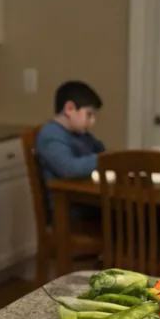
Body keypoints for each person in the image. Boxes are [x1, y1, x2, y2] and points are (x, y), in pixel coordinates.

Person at [35, 80, 105, 220]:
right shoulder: (51, 135)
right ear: (70, 109)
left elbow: (99, 150)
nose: (92, 121)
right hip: (68, 211)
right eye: (89, 114)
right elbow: (69, 168)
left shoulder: (79, 133)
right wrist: (106, 160)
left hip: (86, 201)